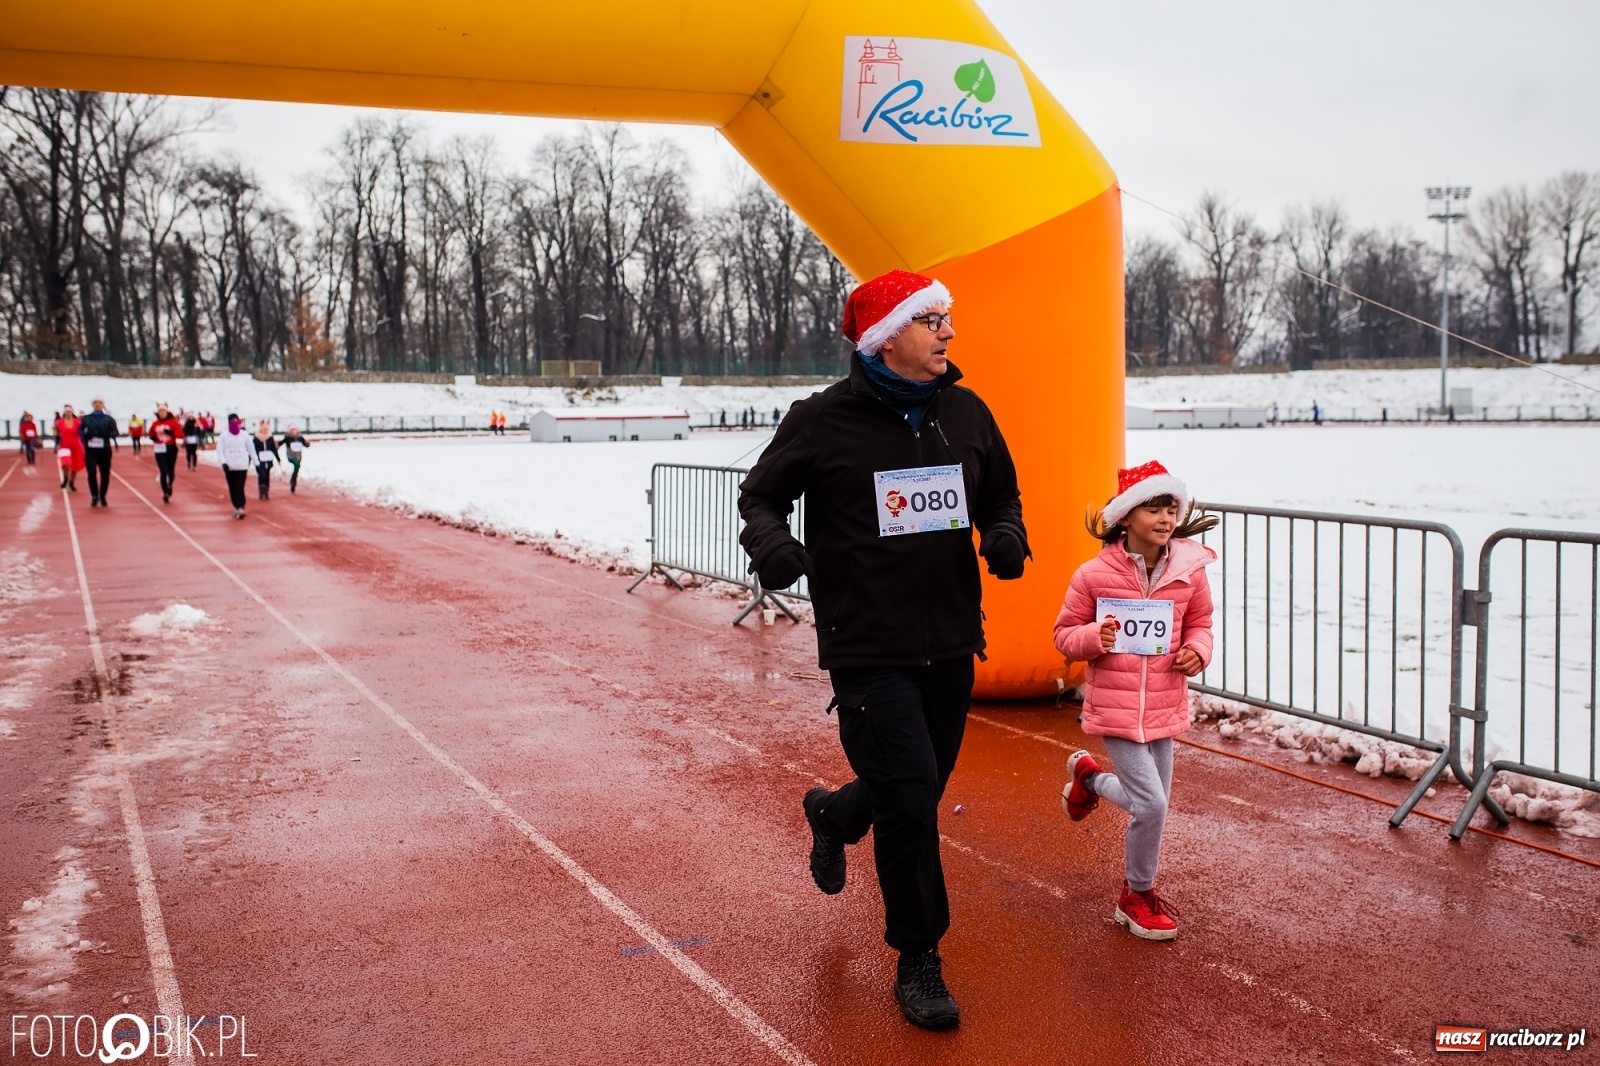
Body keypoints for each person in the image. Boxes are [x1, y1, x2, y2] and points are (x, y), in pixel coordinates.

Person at [738, 269, 1029, 1031]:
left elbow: (1001, 491)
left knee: (917, 785)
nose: (948, 332)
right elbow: (760, 495)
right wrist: (772, 543)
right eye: (932, 319)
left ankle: (835, 814)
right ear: (885, 334)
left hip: (952, 638)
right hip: (867, 642)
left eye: (946, 319)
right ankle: (919, 957)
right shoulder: (821, 420)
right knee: (908, 797)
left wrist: (1005, 535)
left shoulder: (965, 413)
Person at [1053, 460, 1217, 942]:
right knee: (1153, 806)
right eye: (1153, 508)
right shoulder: (1093, 574)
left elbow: (1202, 625)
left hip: (1165, 704)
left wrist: (1197, 652)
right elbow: (1064, 636)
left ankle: (1089, 778)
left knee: (1152, 802)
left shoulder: (1190, 572)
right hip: (1115, 707)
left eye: (1171, 508)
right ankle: (1135, 896)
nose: (1166, 518)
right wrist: (1094, 638)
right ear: (1125, 517)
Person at [78, 399, 120, 507]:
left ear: (103, 405)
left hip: (104, 450)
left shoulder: (109, 419)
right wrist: (86, 436)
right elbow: (80, 431)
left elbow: (115, 432)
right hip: (91, 450)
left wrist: (106, 434)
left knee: (105, 474)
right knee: (91, 472)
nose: (97, 405)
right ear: (93, 405)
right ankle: (94, 496)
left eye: (100, 403)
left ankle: (102, 496)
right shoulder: (87, 418)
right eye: (95, 403)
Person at [216, 413, 255, 519]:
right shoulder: (224, 435)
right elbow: (220, 450)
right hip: (229, 466)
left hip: (242, 465)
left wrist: (257, 462)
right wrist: (223, 462)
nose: (234, 422)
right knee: (232, 487)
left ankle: (241, 506)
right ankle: (235, 505)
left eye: (235, 420)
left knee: (239, 487)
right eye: (231, 420)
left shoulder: (244, 435)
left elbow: (251, 449)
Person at [147, 403, 183, 503]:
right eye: (160, 411)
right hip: (159, 449)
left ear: (167, 412)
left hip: (171, 448)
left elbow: (180, 434)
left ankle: (169, 484)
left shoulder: (173, 423)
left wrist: (172, 433)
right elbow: (150, 433)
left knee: (170, 470)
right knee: (163, 470)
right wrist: (153, 437)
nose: (162, 413)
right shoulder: (155, 423)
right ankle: (165, 493)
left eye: (164, 411)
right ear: (158, 413)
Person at [54, 405, 85, 493]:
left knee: (75, 465)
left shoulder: (78, 422)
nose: (68, 413)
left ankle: (71, 483)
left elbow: (82, 431)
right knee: (65, 464)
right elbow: (55, 431)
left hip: (76, 446)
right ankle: (65, 478)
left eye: (69, 411)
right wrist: (56, 438)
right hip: (64, 445)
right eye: (66, 411)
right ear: (64, 412)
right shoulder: (59, 422)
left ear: (72, 412)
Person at [252, 420, 280, 500]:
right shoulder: (256, 439)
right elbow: (253, 450)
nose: (265, 431)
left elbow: (274, 449)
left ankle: (266, 490)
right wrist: (251, 459)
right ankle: (261, 489)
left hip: (268, 460)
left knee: (267, 475)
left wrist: (278, 459)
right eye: (263, 429)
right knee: (262, 474)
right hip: (259, 460)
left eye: (266, 429)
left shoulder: (270, 438)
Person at [280, 423, 310, 493]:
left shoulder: (300, 438)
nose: (293, 432)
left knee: (297, 468)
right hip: (291, 456)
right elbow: (280, 443)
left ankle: (293, 480)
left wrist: (308, 443)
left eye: (294, 430)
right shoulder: (288, 438)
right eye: (292, 430)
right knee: (297, 465)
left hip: (298, 456)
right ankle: (293, 480)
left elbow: (306, 445)